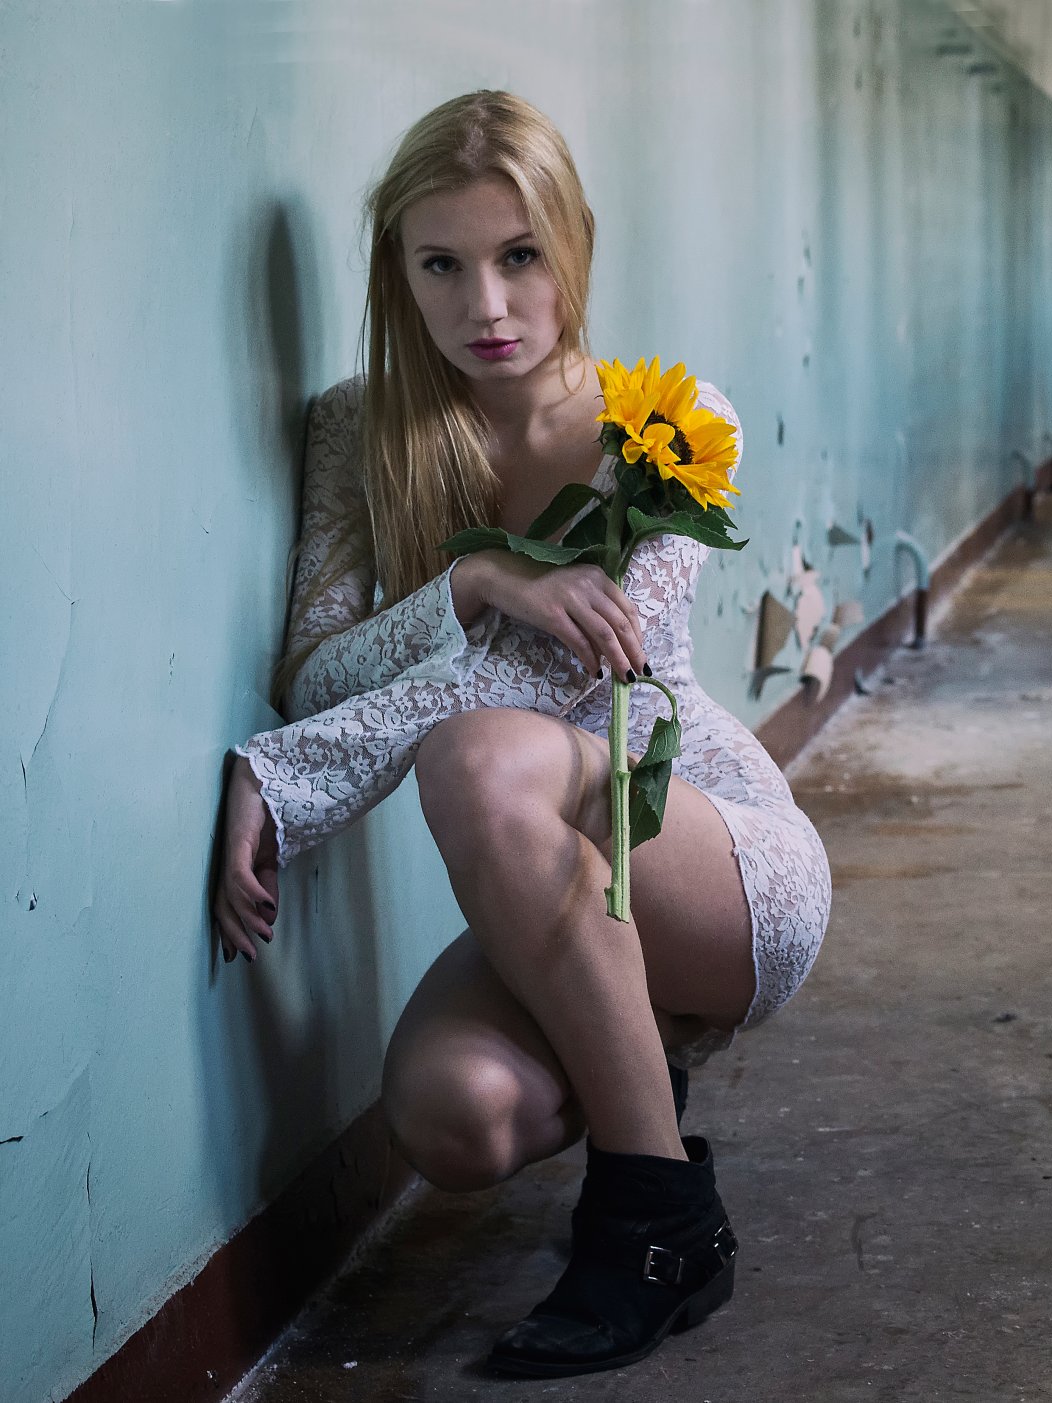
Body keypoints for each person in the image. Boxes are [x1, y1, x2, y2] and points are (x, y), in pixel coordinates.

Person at [210, 90, 832, 1379]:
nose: (486, 306)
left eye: (519, 257)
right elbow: (315, 671)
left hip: (709, 849)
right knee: (450, 1119)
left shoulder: (667, 426)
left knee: (482, 748)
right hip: (560, 880)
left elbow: (569, 678)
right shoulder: (355, 432)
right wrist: (475, 578)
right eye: (442, 265)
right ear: (398, 272)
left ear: (575, 246)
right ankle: (637, 1055)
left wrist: (286, 779)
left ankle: (657, 1224)